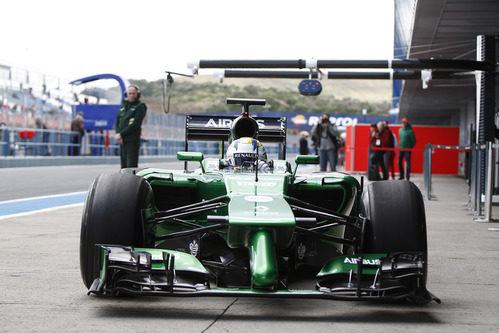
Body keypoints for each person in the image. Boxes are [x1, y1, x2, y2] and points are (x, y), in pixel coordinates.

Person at [114, 85, 147, 169]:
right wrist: (117, 133)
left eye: (134, 93)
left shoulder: (140, 106)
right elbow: (118, 120)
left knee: (131, 166)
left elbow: (135, 124)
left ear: (137, 94)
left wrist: (121, 134)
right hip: (122, 140)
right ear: (126, 94)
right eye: (130, 93)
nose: (132, 95)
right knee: (123, 166)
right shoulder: (123, 106)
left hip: (132, 140)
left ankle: (131, 182)